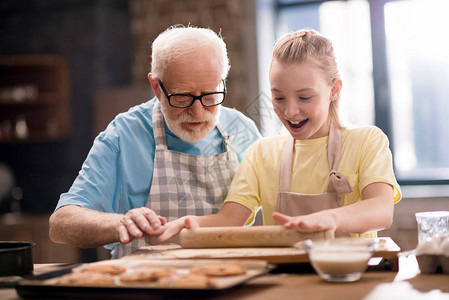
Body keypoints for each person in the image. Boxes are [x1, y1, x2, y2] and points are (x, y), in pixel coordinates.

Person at [157, 29, 402, 241]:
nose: (290, 111)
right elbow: (230, 219)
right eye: (278, 97)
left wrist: (329, 219)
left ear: (334, 90)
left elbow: (381, 211)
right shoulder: (261, 154)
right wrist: (190, 224)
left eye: (305, 97)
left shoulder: (367, 141)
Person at [49, 25, 261, 258]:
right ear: (156, 87)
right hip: (144, 286)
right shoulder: (125, 135)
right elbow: (60, 224)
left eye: (210, 95)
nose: (198, 112)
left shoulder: (241, 130)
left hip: (229, 279)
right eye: (182, 97)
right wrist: (119, 224)